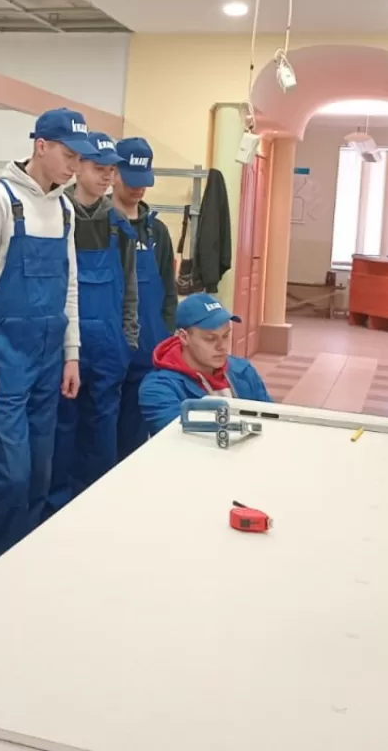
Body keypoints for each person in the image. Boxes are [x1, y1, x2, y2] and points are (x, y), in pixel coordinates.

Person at [0, 107, 89, 568]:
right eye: (69, 155)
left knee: (39, 475)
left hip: (50, 359)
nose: (75, 167)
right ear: (41, 145)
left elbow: (70, 286)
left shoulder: (65, 209)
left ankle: (22, 568)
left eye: (79, 158)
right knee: (11, 478)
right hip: (5, 360)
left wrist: (71, 354)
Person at [46, 132, 138, 514]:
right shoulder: (54, 215)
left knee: (101, 439)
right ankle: (55, 514)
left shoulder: (119, 225)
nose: (107, 177)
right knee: (61, 434)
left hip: (107, 349)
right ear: (78, 166)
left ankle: (96, 513)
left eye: (111, 171)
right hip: (63, 348)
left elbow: (129, 289)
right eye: (99, 168)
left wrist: (128, 341)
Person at [111, 137, 177, 458]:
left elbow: (169, 292)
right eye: (131, 180)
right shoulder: (99, 226)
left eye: (144, 181)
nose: (138, 188)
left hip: (147, 356)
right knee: (99, 444)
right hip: (108, 353)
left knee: (134, 446)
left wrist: (164, 339)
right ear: (113, 173)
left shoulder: (157, 232)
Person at [138, 293, 271, 435]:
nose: (222, 346)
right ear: (184, 337)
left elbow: (271, 421)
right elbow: (182, 438)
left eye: (226, 336)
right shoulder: (158, 388)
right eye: (210, 338)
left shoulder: (244, 371)